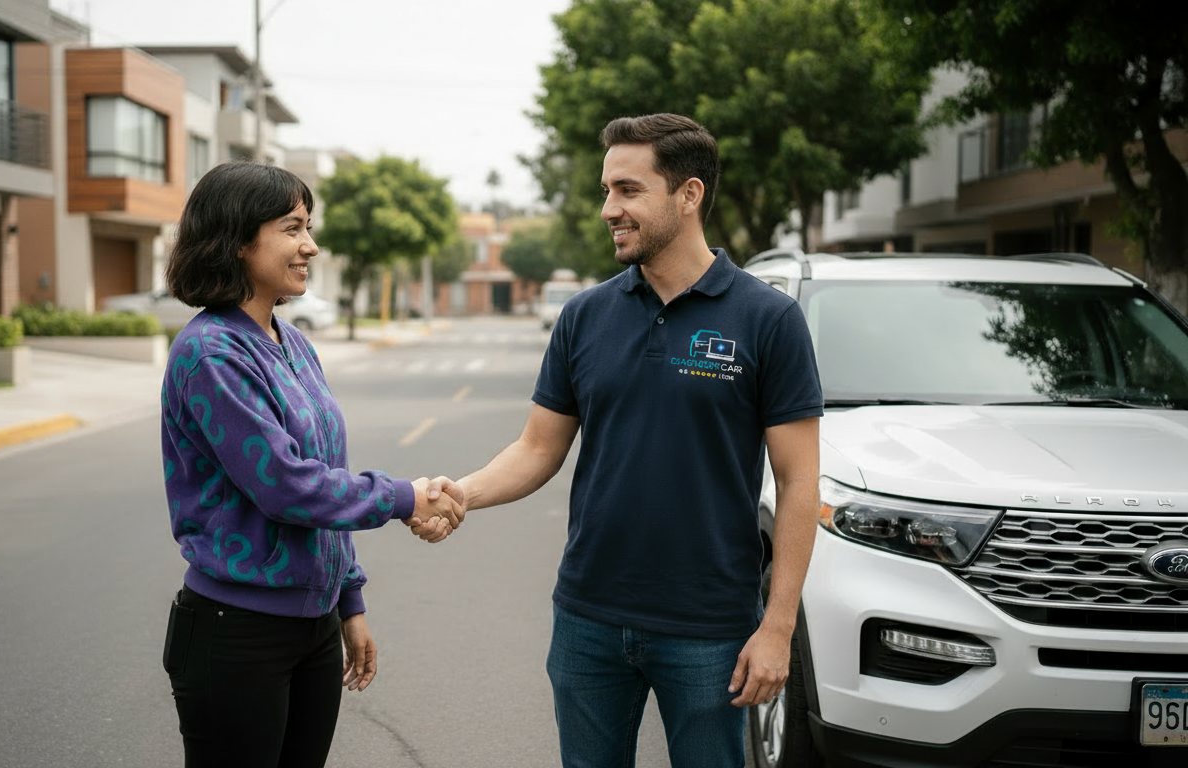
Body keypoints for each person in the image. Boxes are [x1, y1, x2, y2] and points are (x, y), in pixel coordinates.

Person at [434, 114, 823, 767]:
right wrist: (462, 494)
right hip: (588, 616)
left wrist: (777, 626)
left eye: (628, 190)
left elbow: (799, 483)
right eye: (606, 190)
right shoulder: (585, 317)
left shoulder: (768, 320)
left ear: (689, 194)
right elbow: (537, 448)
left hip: (709, 626)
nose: (608, 208)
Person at [158, 162, 461, 768]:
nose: (310, 246)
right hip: (236, 631)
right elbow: (288, 487)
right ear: (238, 239)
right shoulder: (210, 353)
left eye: (308, 227)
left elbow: (325, 472)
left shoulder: (290, 342)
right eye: (292, 228)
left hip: (312, 626)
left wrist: (348, 602)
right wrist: (406, 498)